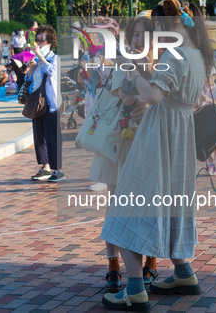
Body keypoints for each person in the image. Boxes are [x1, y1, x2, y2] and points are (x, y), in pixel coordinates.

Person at [100, 0, 213, 311]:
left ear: (171, 25)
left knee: (129, 207)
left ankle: (135, 290)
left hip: (159, 134)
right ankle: (184, 273)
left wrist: (131, 72)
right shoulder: (197, 55)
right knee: (172, 203)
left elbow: (152, 95)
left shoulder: (174, 56)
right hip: (181, 135)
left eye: (159, 26)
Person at [88, 16, 159, 293]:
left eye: (145, 34)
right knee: (117, 203)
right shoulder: (125, 60)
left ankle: (151, 260)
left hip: (150, 137)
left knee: (149, 202)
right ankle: (113, 265)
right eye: (136, 34)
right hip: (122, 139)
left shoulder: (160, 61)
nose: (140, 40)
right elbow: (126, 97)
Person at [27, 25, 63, 182]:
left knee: (52, 137)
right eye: (37, 40)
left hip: (51, 104)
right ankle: (45, 167)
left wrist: (40, 58)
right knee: (40, 137)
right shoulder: (36, 59)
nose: (39, 43)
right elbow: (29, 80)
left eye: (42, 40)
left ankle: (58, 169)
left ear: (50, 42)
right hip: (37, 104)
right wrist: (30, 68)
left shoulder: (54, 58)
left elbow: (52, 72)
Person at [195, 67, 216, 174]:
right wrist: (198, 100)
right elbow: (196, 106)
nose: (205, 79)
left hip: (214, 120)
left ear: (214, 77)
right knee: (206, 144)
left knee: (215, 144)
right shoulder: (201, 89)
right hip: (204, 120)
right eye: (203, 77)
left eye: (207, 77)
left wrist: (208, 99)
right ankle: (211, 164)